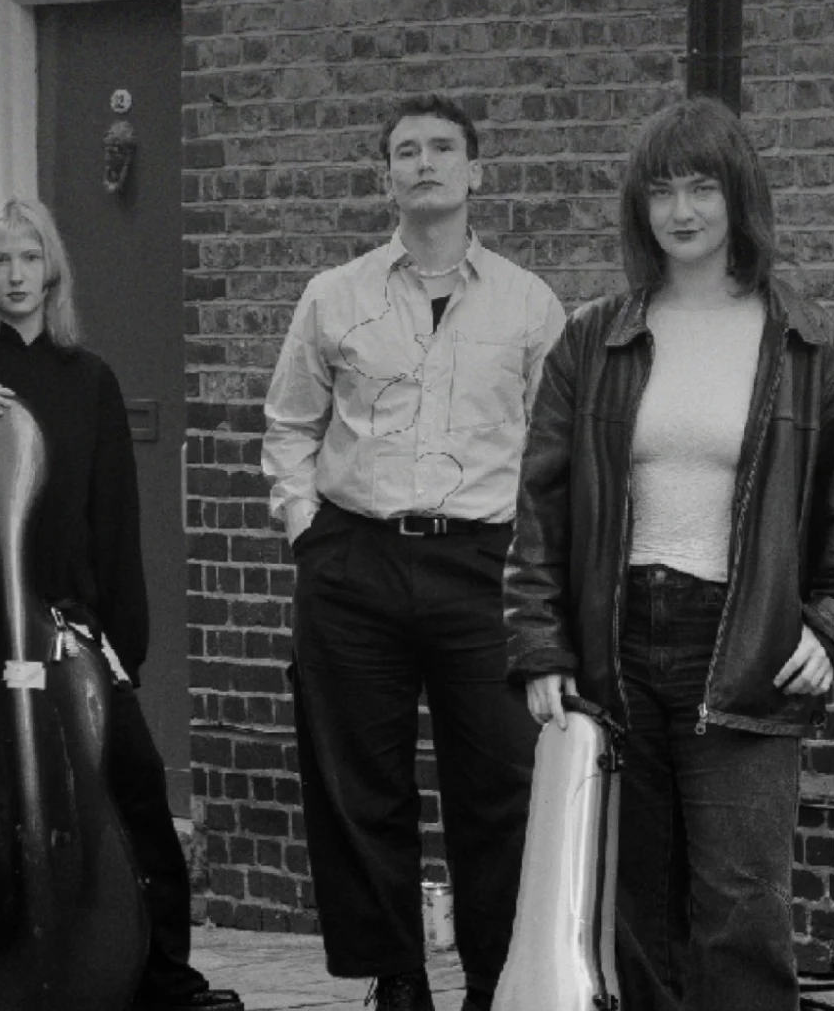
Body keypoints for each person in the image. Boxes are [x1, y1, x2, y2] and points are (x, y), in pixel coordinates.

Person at [504, 98, 834, 1011]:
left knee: (741, 912)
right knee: (633, 911)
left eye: (702, 187)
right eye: (662, 190)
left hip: (747, 647)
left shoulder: (805, 343)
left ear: (739, 198)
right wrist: (539, 646)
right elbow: (541, 505)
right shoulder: (592, 339)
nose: (682, 210)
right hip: (617, 648)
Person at [0, 199, 244, 1011]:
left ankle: (161, 979)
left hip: (69, 626)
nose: (16, 276)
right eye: (0, 261)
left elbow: (112, 513)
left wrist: (123, 641)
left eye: (30, 259)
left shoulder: (90, 379)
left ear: (52, 270)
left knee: (136, 790)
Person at [262, 93, 567, 1011]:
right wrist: (306, 526)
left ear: (476, 172)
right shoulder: (335, 295)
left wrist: (535, 564)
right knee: (360, 784)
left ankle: (490, 979)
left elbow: (554, 453)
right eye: (407, 151)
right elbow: (289, 422)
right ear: (385, 174)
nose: (424, 163)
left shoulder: (529, 304)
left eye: (443, 149)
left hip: (482, 568)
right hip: (355, 561)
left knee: (499, 785)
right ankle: (395, 980)